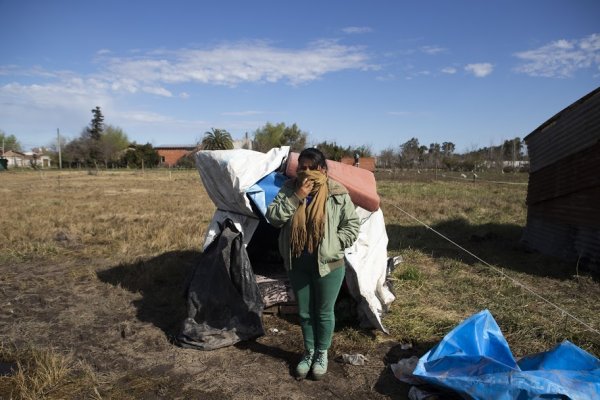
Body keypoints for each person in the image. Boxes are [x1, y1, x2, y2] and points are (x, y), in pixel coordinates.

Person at [266, 148, 360, 380]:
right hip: (298, 262)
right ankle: (308, 353)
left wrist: (334, 245)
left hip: (329, 263)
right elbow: (274, 218)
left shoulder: (337, 192)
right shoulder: (289, 189)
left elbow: (352, 225)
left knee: (324, 312)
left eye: (311, 167)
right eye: (302, 167)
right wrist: (297, 196)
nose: (306, 172)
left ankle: (321, 354)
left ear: (322, 169)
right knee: (306, 313)